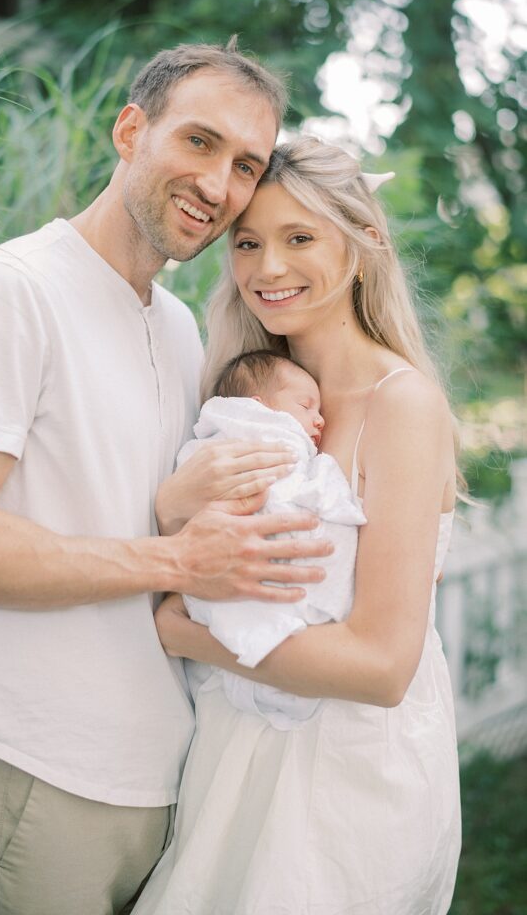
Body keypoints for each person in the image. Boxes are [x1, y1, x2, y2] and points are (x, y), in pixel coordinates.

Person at [0, 43, 333, 915]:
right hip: (30, 767)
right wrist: (179, 563)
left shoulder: (175, 327)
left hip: (152, 776)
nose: (219, 184)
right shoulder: (9, 293)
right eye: (200, 143)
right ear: (131, 129)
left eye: (246, 165)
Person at [135, 136, 462, 915]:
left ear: (363, 244)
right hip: (233, 747)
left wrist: (183, 633)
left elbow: (383, 667)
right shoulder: (247, 400)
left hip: (342, 776)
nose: (267, 269)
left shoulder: (400, 404)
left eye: (300, 238)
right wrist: (175, 507)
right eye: (248, 243)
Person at [180, 348, 366, 727]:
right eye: (305, 405)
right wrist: (328, 484)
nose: (319, 420)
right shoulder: (252, 442)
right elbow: (291, 494)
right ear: (258, 407)